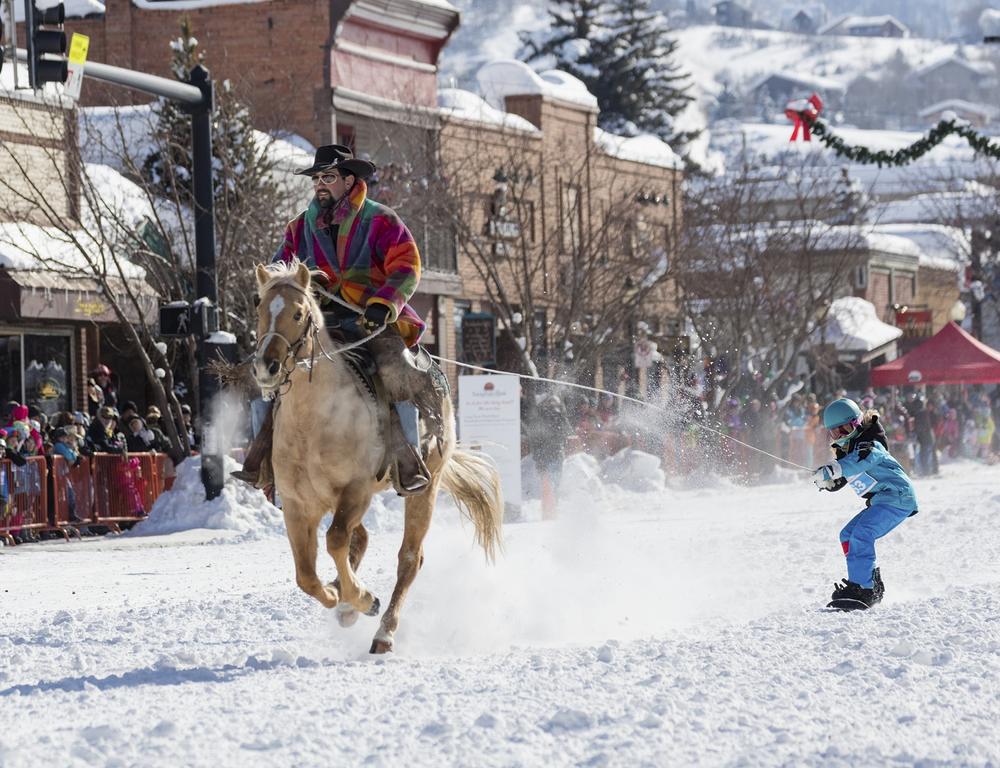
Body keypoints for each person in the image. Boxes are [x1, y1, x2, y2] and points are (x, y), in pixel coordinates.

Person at [234, 144, 434, 496]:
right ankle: (263, 465)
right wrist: (273, 295)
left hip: (371, 320)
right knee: (261, 373)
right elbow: (280, 270)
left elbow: (407, 266)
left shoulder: (382, 220)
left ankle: (409, 463)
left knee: (396, 370)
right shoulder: (298, 228)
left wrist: (383, 303)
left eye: (327, 177)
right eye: (316, 179)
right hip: (314, 323)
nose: (320, 185)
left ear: (349, 180)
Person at [812, 397, 918, 608]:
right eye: (835, 433)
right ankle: (867, 581)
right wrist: (828, 482)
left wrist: (833, 469)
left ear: (857, 423)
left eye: (844, 429)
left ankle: (863, 588)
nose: (840, 436)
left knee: (863, 534)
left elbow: (861, 460)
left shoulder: (870, 443)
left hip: (898, 497)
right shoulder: (848, 452)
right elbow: (843, 476)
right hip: (882, 500)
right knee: (848, 535)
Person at [528, 394, 573, 520]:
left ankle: (554, 511)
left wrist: (562, 415)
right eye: (550, 403)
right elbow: (535, 440)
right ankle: (548, 513)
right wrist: (538, 458)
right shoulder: (540, 419)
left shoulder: (560, 417)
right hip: (545, 457)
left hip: (557, 455)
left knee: (555, 485)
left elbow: (566, 432)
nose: (553, 406)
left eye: (555, 403)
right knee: (548, 486)